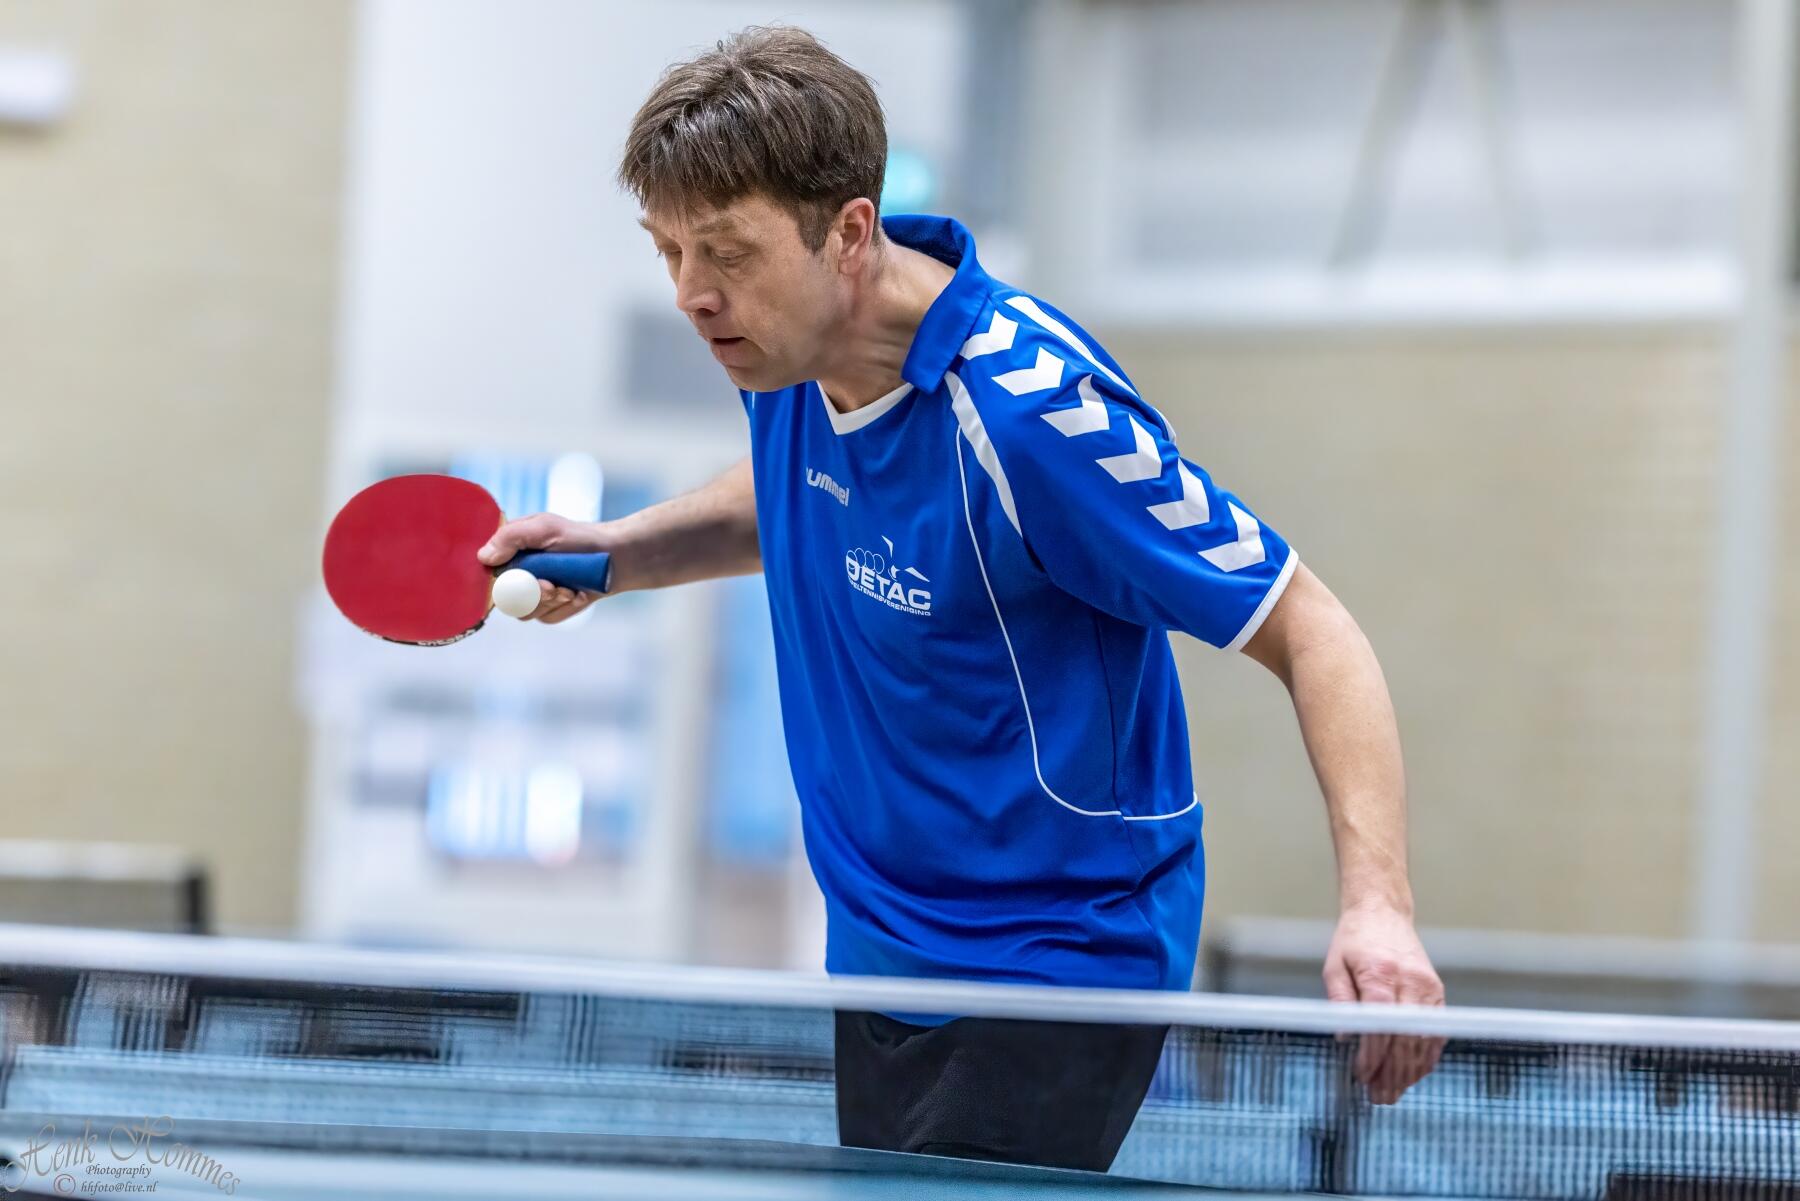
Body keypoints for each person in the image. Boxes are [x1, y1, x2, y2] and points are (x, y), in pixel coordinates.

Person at [479, 25, 1444, 1172]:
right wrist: (615, 551)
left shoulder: (1036, 417)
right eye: (670, 250)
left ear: (849, 233)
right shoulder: (785, 356)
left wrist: (1378, 905)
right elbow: (801, 500)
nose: (692, 293)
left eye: (725, 251)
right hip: (878, 949)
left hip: (1053, 963)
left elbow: (1310, 623)